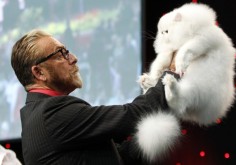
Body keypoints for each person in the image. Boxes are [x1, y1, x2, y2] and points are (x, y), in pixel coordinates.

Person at [10, 29, 168, 165]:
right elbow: (133, 114)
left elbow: (116, 157)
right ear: (39, 72)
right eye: (60, 54)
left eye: (67, 52)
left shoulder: (38, 115)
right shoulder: (50, 114)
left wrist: (154, 136)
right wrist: (170, 77)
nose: (73, 58)